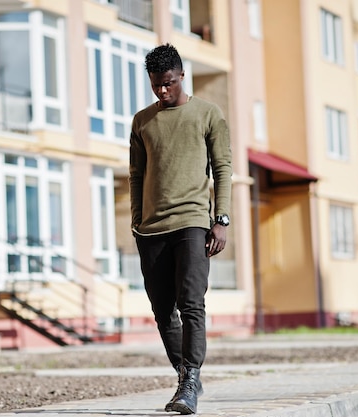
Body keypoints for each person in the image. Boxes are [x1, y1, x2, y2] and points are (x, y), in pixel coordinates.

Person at [128, 43, 232, 415]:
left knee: (191, 304)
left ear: (181, 76)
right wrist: (137, 219)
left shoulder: (207, 114)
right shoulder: (142, 121)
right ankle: (185, 374)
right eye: (156, 85)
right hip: (151, 229)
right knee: (161, 309)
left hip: (192, 222)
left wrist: (220, 219)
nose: (162, 91)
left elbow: (222, 169)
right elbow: (136, 174)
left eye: (168, 83)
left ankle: (189, 383)